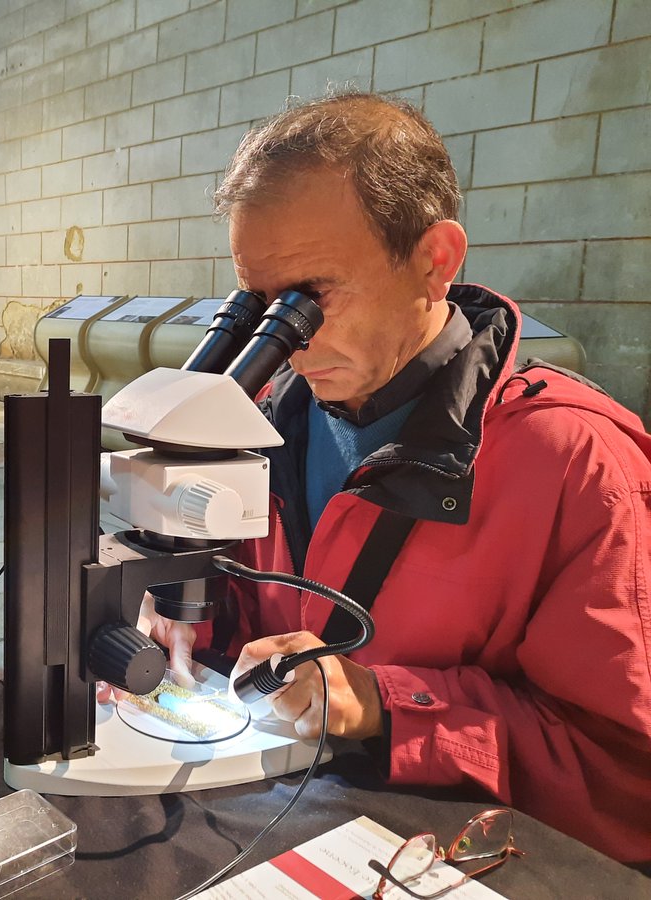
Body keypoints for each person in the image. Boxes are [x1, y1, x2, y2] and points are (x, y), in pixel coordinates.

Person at [117, 92, 651, 866]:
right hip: (265, 815)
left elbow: (623, 776)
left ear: (435, 260)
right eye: (262, 304)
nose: (288, 342)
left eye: (312, 298)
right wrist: (183, 616)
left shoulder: (579, 467)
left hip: (430, 851)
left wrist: (383, 703)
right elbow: (250, 605)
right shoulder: (270, 415)